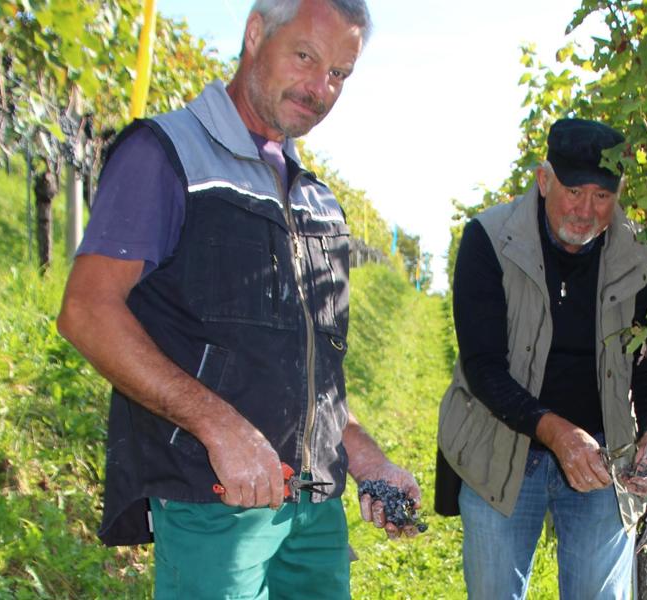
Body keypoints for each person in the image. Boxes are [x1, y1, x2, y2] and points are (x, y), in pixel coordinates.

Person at [57, 1, 419, 597]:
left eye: (339, 74)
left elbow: (313, 377)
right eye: (306, 57)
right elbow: (88, 312)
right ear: (256, 34)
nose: (320, 87)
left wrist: (369, 460)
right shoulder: (166, 154)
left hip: (314, 514)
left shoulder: (317, 202)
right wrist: (219, 428)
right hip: (215, 505)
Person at [437, 117, 647, 599]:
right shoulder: (489, 240)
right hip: (500, 448)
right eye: (573, 190)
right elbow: (482, 367)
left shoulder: (641, 256)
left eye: (602, 196)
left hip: (602, 458)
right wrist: (558, 433)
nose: (586, 210)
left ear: (619, 192)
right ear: (544, 180)